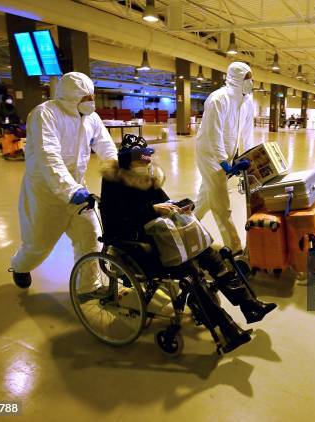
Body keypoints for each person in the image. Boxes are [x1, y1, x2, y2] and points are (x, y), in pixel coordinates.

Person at [99, 135, 276, 352]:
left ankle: (250, 305)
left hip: (163, 237)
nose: (146, 162)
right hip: (134, 242)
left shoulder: (148, 176)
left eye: (147, 158)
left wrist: (179, 206)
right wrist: (152, 210)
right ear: (127, 160)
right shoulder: (113, 182)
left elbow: (164, 201)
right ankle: (226, 327)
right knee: (190, 272)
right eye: (141, 159)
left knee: (211, 255)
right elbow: (116, 220)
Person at [9, 72, 118, 290]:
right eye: (86, 97)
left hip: (78, 190)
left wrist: (116, 167)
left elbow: (105, 144)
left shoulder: (91, 118)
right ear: (70, 96)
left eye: (92, 97)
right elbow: (48, 157)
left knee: (91, 237)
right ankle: (20, 266)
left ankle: (88, 287)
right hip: (46, 193)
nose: (91, 102)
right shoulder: (45, 114)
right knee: (38, 244)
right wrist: (69, 190)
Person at [194, 62, 258, 254]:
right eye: (247, 77)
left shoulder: (246, 101)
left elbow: (247, 131)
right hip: (209, 155)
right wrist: (223, 162)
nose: (251, 82)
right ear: (237, 78)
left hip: (227, 155)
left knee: (206, 196)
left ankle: (185, 226)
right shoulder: (218, 99)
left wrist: (250, 155)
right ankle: (235, 247)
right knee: (221, 203)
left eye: (251, 78)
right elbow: (214, 134)